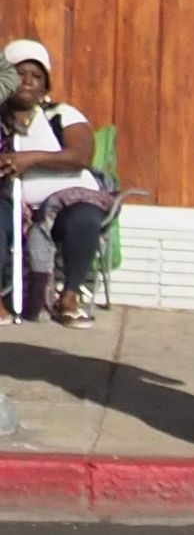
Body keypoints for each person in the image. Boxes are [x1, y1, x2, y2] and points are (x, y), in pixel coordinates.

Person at [4, 39, 116, 325]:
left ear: (45, 86)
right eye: (19, 73)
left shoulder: (62, 114)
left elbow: (80, 155)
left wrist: (29, 158)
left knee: (83, 215)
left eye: (37, 76)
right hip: (18, 206)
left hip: (71, 197)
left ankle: (69, 296)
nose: (27, 81)